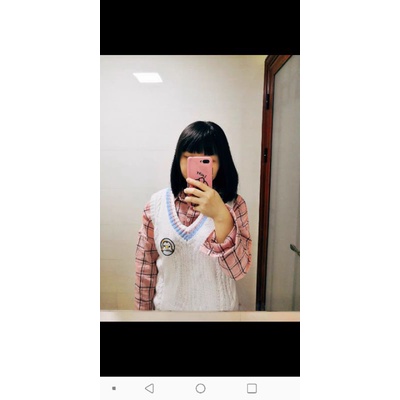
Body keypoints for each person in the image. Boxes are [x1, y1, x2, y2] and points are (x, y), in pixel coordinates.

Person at [134, 121, 252, 311]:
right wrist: (143, 316)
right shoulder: (156, 205)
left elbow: (237, 271)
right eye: (189, 159)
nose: (197, 168)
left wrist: (221, 216)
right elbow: (145, 269)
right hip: (167, 315)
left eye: (207, 161)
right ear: (178, 159)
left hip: (219, 316)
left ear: (221, 162)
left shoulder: (235, 205)